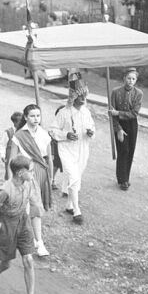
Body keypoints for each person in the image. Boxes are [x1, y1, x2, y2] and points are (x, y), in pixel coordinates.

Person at [0, 155, 43, 294]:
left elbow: (31, 201)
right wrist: (0, 228)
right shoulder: (5, 191)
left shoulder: (28, 183)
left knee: (28, 260)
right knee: (6, 264)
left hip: (23, 222)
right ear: (20, 173)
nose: (33, 174)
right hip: (7, 226)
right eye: (31, 171)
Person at [8, 104, 52, 257]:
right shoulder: (18, 136)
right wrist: (11, 180)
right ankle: (27, 238)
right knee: (24, 208)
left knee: (36, 208)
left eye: (38, 116)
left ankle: (39, 242)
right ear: (26, 117)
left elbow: (48, 158)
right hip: (23, 175)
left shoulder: (44, 135)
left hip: (39, 174)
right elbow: (12, 160)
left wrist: (50, 177)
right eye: (32, 116)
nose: (36, 119)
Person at [50, 78, 95, 224]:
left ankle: (69, 204)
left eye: (84, 96)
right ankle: (77, 211)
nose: (83, 99)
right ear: (73, 96)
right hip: (67, 149)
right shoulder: (63, 112)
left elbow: (92, 128)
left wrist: (90, 133)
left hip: (82, 148)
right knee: (73, 176)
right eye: (80, 96)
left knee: (76, 177)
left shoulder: (86, 112)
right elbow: (52, 129)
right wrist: (66, 135)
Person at [109, 68, 143, 191]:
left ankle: (126, 178)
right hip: (120, 123)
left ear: (136, 80)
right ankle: (122, 179)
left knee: (130, 151)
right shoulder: (115, 92)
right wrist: (118, 129)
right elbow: (111, 113)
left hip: (132, 124)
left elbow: (134, 113)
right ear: (124, 78)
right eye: (129, 78)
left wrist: (118, 112)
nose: (130, 81)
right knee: (123, 150)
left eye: (133, 79)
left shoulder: (138, 93)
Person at [0, 111, 23, 181]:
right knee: (10, 172)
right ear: (15, 122)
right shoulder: (9, 132)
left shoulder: (24, 132)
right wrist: (2, 155)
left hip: (20, 155)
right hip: (10, 155)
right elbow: (2, 144)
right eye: (20, 122)